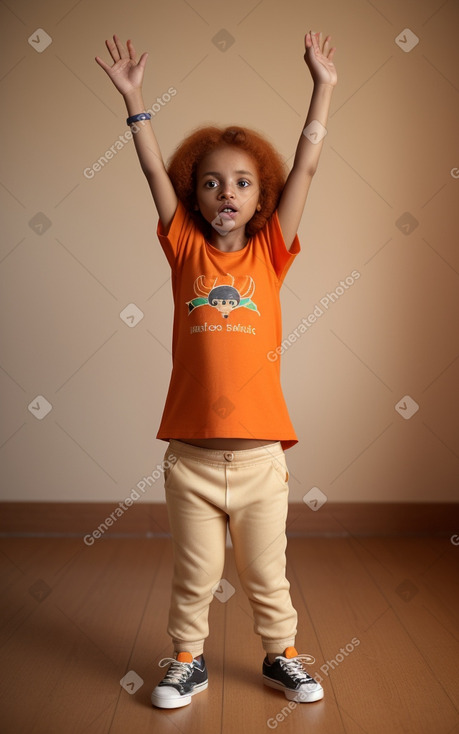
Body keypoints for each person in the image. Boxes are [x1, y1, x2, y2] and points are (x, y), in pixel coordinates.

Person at [96, 30, 337, 710]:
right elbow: (149, 174)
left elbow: (308, 169)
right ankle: (186, 661)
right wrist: (136, 101)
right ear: (193, 197)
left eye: (240, 181)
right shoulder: (183, 252)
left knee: (267, 573)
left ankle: (281, 655)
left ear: (261, 197)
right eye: (209, 182)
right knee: (194, 573)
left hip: (261, 460)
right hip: (191, 459)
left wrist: (322, 86)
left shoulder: (270, 254)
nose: (224, 191)